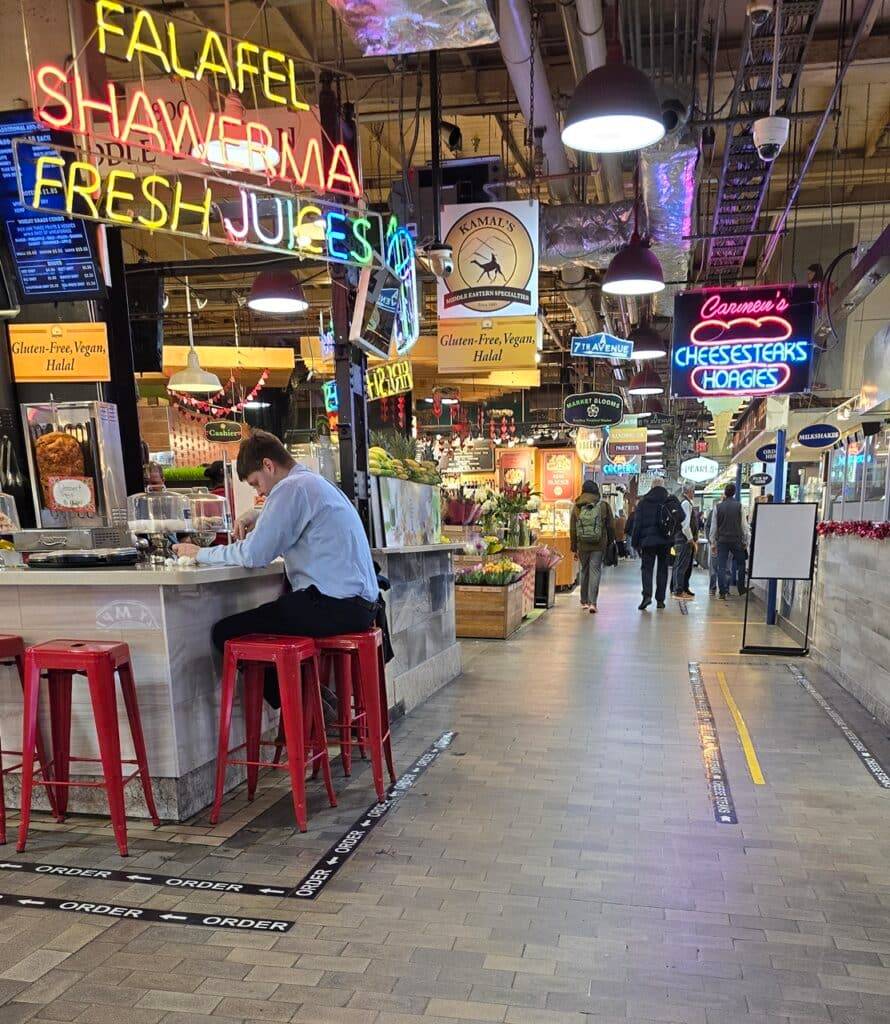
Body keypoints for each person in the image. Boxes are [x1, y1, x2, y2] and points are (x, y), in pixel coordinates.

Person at [173, 430, 381, 706]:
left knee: (225, 632)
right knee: (274, 616)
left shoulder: (289, 488)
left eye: (257, 483)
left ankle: (304, 703)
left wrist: (200, 553)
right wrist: (260, 514)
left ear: (268, 465)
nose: (260, 492)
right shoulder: (313, 483)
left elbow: (255, 554)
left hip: (334, 605)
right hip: (361, 607)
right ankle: (310, 701)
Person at [631, 477, 684, 611]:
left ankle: (647, 596)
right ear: (663, 486)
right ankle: (660, 600)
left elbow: (637, 524)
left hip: (648, 542)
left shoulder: (643, 502)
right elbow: (681, 516)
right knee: (662, 569)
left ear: (652, 487)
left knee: (647, 569)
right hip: (666, 541)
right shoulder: (669, 500)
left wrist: (635, 543)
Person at [570, 480, 613, 614]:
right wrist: (610, 542)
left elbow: (572, 529)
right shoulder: (603, 506)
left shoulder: (577, 506)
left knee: (584, 571)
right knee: (595, 570)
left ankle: (584, 601)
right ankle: (593, 603)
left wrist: (574, 547)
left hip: (582, 544)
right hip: (598, 544)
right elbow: (610, 526)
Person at [709, 481, 750, 600]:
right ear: (734, 493)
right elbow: (744, 526)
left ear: (725, 493)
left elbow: (714, 526)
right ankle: (741, 587)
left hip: (722, 541)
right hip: (736, 540)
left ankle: (722, 592)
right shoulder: (739, 506)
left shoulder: (718, 507)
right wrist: (745, 541)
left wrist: (713, 542)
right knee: (741, 563)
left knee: (721, 566)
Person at [671, 484, 698, 600]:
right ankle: (678, 591)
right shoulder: (686, 503)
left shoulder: (684, 502)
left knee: (681, 565)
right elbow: (685, 524)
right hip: (684, 540)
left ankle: (682, 588)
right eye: (693, 491)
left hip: (682, 539)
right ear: (689, 491)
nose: (694, 494)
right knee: (681, 565)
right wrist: (690, 539)